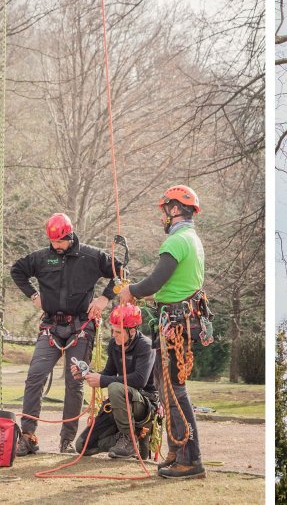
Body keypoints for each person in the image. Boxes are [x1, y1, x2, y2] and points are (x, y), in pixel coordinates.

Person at [10, 213, 122, 455]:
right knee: (35, 377)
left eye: (59, 242)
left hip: (80, 327)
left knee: (74, 383)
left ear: (70, 236)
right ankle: (28, 436)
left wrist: (104, 299)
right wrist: (33, 295)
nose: (55, 246)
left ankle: (66, 440)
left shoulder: (91, 257)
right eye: (52, 242)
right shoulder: (41, 257)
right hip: (51, 326)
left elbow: (120, 272)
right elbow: (17, 270)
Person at [118, 184, 210, 480]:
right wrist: (148, 295)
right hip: (176, 319)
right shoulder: (191, 239)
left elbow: (155, 282)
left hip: (175, 325)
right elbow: (172, 286)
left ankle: (190, 458)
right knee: (168, 389)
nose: (163, 217)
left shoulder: (178, 240)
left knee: (174, 391)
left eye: (165, 210)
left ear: (174, 209)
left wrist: (131, 291)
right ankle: (177, 450)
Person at [71, 303, 158, 458]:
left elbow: (140, 380)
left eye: (118, 331)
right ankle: (124, 440)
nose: (114, 335)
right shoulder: (114, 344)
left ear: (132, 331)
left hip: (144, 402)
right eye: (112, 330)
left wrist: (103, 380)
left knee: (115, 388)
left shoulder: (146, 346)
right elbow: (108, 373)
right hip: (120, 399)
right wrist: (87, 374)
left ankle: (129, 440)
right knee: (82, 446)